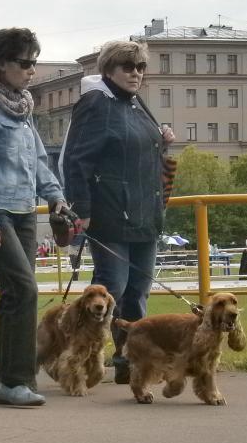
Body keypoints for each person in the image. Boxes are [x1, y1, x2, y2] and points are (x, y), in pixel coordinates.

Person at [0, 27, 68, 407]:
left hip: (25, 210)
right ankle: (17, 380)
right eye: (25, 63)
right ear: (1, 64)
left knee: (14, 295)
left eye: (33, 63)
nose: (32, 71)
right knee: (25, 290)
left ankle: (2, 384)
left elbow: (38, 160)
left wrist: (56, 197)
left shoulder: (23, 111)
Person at [61, 39, 175, 385]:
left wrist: (162, 140)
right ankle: (82, 353)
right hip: (110, 214)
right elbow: (76, 159)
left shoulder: (136, 102)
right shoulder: (96, 103)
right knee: (113, 287)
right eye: (127, 67)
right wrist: (82, 209)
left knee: (138, 291)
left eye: (140, 67)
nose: (136, 73)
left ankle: (132, 361)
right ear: (108, 69)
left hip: (145, 212)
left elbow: (134, 147)